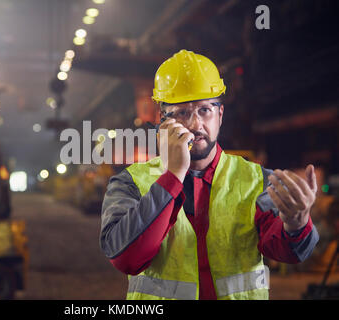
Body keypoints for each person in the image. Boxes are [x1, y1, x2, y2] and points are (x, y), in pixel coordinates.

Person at [99, 50, 319, 300]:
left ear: (220, 115)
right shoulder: (130, 183)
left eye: (205, 110)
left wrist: (297, 223)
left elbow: (289, 252)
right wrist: (172, 176)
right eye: (182, 113)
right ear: (162, 121)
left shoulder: (255, 179)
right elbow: (126, 258)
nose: (195, 124)